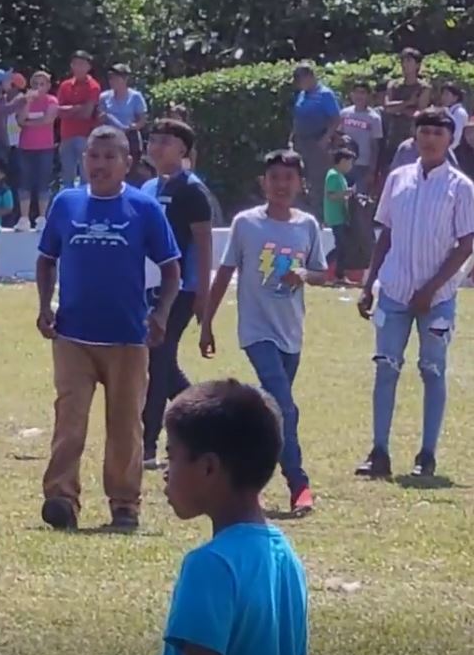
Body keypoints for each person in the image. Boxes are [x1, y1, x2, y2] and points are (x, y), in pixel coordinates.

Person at [35, 125, 180, 531]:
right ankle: (61, 498)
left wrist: (161, 314)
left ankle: (124, 505)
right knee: (70, 420)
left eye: (109, 157)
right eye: (93, 157)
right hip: (73, 335)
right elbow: (47, 259)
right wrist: (44, 305)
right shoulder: (66, 204)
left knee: (124, 425)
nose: (99, 165)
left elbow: (172, 270)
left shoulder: (143, 209)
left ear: (126, 164)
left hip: (128, 337)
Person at [156, 380, 308, 655]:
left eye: (172, 456)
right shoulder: (286, 557)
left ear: (208, 468)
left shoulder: (210, 566)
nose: (166, 473)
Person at [200, 149, 327, 515]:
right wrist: (207, 322)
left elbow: (321, 272)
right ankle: (299, 485)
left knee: (270, 412)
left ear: (300, 184)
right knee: (285, 407)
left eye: (289, 178)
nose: (281, 185)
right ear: (263, 183)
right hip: (257, 331)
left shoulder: (307, 226)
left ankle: (243, 475)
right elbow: (224, 272)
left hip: (292, 332)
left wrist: (304, 275)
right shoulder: (245, 223)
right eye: (274, 178)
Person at [356, 107, 474, 480]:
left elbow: (466, 244)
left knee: (432, 370)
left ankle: (427, 453)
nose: (430, 139)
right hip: (394, 288)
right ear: (415, 136)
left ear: (449, 138)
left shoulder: (461, 187)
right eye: (424, 131)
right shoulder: (398, 179)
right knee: (385, 368)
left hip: (437, 297)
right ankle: (379, 451)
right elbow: (386, 233)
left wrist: (432, 288)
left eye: (438, 133)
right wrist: (368, 283)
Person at [139, 119, 212, 469]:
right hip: (149, 285)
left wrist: (203, 293)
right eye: (152, 140)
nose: (155, 146)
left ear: (182, 149)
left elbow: (203, 243)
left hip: (181, 288)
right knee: (161, 361)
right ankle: (203, 419)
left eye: (164, 141)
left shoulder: (192, 189)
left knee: (158, 359)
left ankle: (148, 444)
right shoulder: (149, 187)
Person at [288, 63, 341, 212]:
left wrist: (325, 139)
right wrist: (292, 137)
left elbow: (336, 119)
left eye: (301, 78)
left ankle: (319, 214)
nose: (299, 82)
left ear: (310, 77)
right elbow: (297, 117)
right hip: (301, 142)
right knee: (299, 178)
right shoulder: (302, 95)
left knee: (317, 180)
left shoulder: (325, 94)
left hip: (317, 142)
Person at [16, 71, 59, 229]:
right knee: (24, 182)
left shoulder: (52, 101)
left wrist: (28, 123)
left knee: (43, 182)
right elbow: (20, 119)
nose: (38, 87)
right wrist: (28, 102)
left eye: (42, 84)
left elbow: (48, 120)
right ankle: (24, 217)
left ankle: (42, 217)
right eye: (35, 84)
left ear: (48, 86)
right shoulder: (24, 101)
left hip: (45, 147)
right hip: (25, 146)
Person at [381, 47, 432, 174]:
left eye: (409, 61)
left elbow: (419, 114)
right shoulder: (393, 85)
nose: (405, 65)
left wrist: (398, 109)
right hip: (392, 135)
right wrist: (408, 103)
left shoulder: (423, 88)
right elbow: (387, 107)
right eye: (403, 61)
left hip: (411, 136)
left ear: (417, 65)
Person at [55, 51, 102, 188]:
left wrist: (69, 109)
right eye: (75, 64)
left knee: (85, 175)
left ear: (88, 67)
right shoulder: (65, 85)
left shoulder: (94, 86)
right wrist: (78, 107)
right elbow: (59, 111)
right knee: (67, 176)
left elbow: (87, 113)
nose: (78, 67)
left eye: (82, 64)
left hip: (85, 135)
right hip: (66, 135)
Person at [338, 81, 383, 194]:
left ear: (368, 95)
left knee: (359, 198)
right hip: (344, 162)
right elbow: (338, 136)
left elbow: (375, 146)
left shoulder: (374, 118)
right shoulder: (344, 113)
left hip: (363, 164)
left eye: (362, 93)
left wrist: (372, 170)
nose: (359, 96)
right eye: (356, 92)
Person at [100, 63, 147, 165]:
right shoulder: (104, 97)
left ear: (125, 79)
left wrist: (133, 126)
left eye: (116, 78)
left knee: (131, 167)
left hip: (129, 136)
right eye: (111, 78)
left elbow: (142, 120)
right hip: (110, 137)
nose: (112, 81)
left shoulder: (135, 97)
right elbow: (100, 117)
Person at [324, 148, 357, 284]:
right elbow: (330, 195)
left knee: (343, 247)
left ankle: (339, 275)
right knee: (341, 247)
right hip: (335, 216)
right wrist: (346, 193)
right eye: (349, 162)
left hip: (341, 216)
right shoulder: (333, 175)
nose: (351, 166)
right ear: (342, 161)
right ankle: (329, 273)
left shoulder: (341, 176)